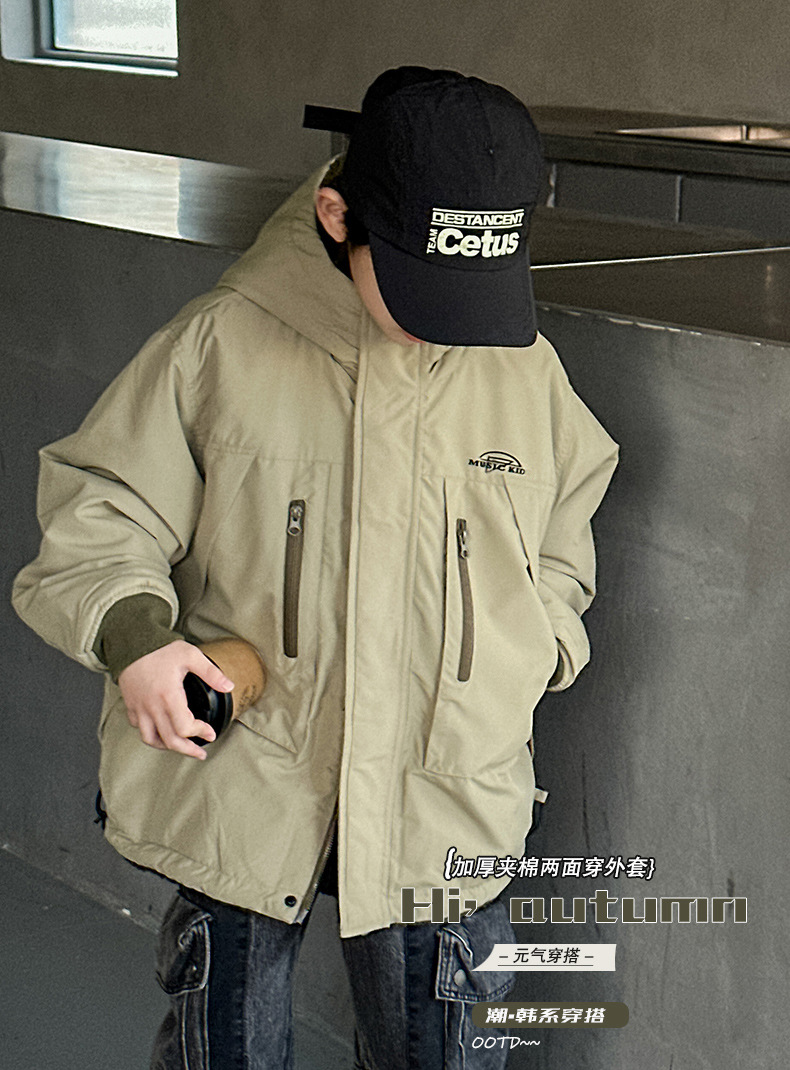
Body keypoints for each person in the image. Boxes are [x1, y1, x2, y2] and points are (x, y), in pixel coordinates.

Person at [12, 67, 618, 1069]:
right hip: (246, 774)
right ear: (337, 218)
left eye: (472, 289)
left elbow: (563, 522)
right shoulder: (220, 344)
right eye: (421, 284)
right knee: (227, 1044)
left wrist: (536, 643)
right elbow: (100, 505)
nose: (447, 321)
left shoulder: (521, 364)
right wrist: (136, 638)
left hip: (442, 785)